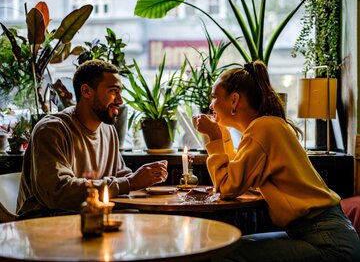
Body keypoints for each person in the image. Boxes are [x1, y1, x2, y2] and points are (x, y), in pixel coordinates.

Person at [192, 60, 360, 262]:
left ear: (234, 100)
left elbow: (228, 187)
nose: (211, 105)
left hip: (328, 242)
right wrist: (222, 136)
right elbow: (238, 176)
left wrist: (216, 139)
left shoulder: (264, 128)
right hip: (322, 234)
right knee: (228, 247)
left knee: (222, 254)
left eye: (214, 97)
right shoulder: (267, 126)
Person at [17, 60, 168, 217]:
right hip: (43, 226)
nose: (120, 101)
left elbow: (120, 176)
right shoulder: (51, 130)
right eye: (113, 91)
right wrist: (130, 183)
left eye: (120, 92)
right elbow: (58, 192)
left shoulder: (108, 130)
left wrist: (146, 180)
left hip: (91, 219)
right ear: (86, 91)